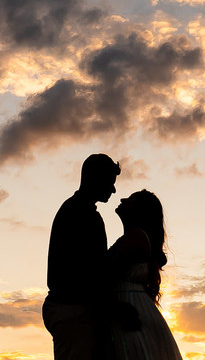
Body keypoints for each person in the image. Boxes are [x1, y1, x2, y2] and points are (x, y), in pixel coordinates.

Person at [44, 153, 122, 360]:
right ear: (96, 179)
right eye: (110, 183)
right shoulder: (81, 215)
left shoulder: (76, 210)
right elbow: (93, 269)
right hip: (72, 311)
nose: (114, 190)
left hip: (71, 311)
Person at [107, 190, 182, 360]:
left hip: (128, 314)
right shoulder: (135, 238)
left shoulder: (136, 238)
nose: (122, 198)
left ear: (139, 210)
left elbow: (103, 272)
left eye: (131, 199)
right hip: (135, 311)